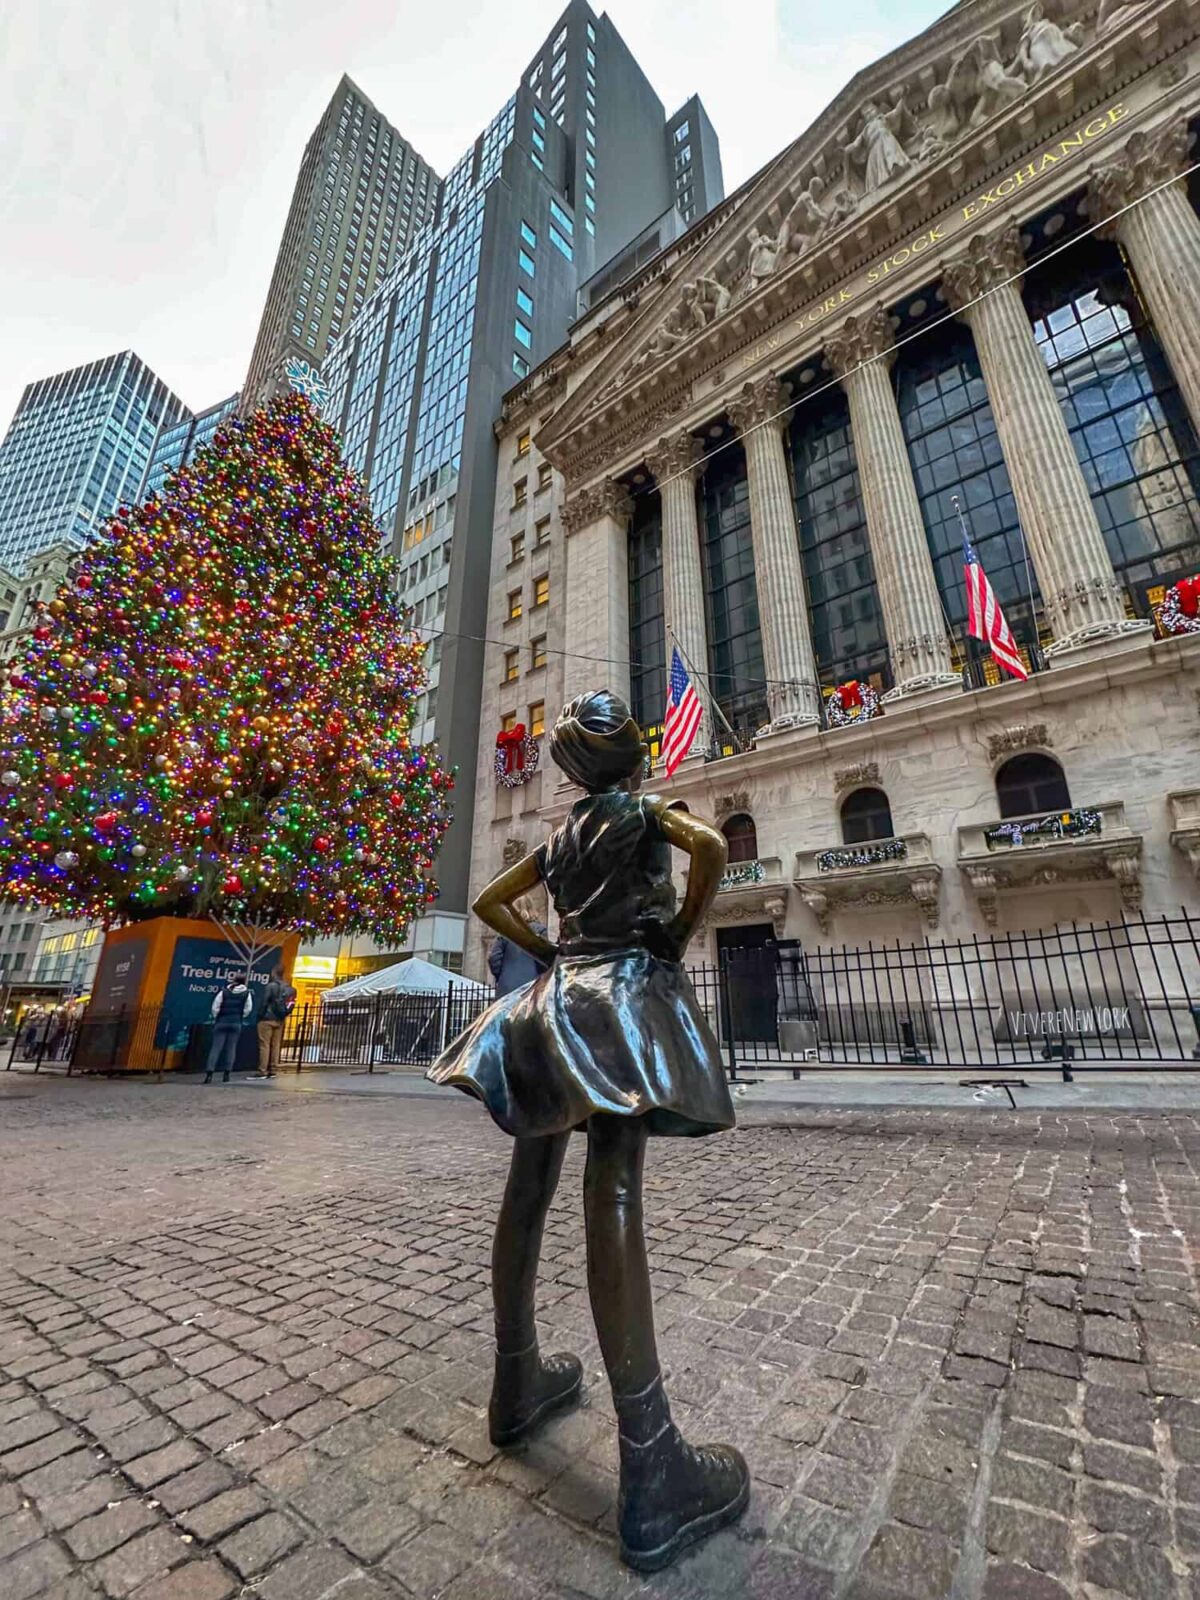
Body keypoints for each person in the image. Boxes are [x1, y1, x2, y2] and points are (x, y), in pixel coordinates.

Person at [428, 691, 748, 1573]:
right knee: (613, 1184)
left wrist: (548, 949)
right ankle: (651, 1460)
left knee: (529, 1182)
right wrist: (677, 929)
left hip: (553, 1000)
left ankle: (515, 1382)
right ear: (634, 758)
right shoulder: (644, 812)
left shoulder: (561, 837)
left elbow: (492, 901)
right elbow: (711, 846)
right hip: (622, 997)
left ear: (571, 767)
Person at [486, 893, 550, 996]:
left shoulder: (505, 930)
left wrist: (503, 976)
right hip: (531, 987)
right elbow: (544, 960)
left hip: (506, 989)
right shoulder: (540, 931)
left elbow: (493, 957)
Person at [203, 977, 253, 1083]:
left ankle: (209, 1074)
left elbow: (215, 1007)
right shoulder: (246, 993)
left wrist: (218, 1016)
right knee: (231, 1048)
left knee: (216, 1048)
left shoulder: (224, 992)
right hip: (236, 1023)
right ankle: (226, 1074)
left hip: (221, 1021)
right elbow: (248, 1009)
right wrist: (240, 1016)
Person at [256, 965, 296, 1077]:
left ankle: (263, 1070)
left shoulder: (271, 986)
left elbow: (265, 1002)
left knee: (264, 1044)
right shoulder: (289, 988)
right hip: (280, 1019)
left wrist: (260, 1015)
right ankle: (273, 1069)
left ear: (274, 973)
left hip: (267, 1019)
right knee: (276, 1045)